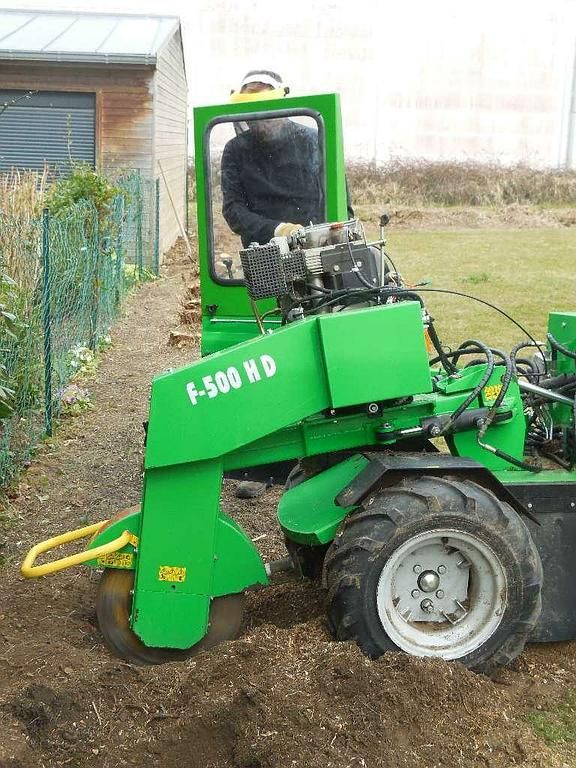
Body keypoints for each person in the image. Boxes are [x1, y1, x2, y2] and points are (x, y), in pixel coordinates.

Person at [221, 70, 327, 249]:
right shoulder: (235, 149)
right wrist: (279, 229)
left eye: (267, 113)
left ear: (281, 108)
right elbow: (234, 209)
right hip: (264, 252)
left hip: (315, 245)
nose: (261, 122)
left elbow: (337, 200)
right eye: (254, 115)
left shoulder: (314, 141)